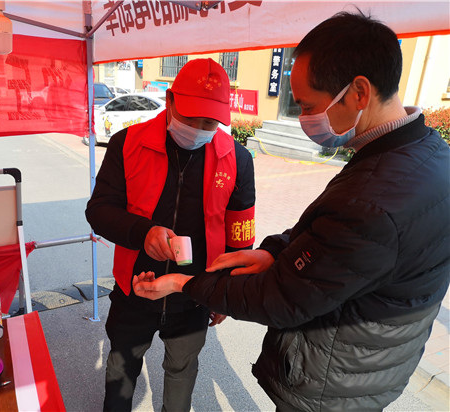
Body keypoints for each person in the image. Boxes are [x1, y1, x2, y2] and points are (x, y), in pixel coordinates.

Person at [133, 11, 450, 412]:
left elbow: (281, 296)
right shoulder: (427, 153)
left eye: (308, 105)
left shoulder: (374, 198)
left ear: (358, 93)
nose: (303, 119)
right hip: (374, 363)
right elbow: (329, 240)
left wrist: (185, 284)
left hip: (333, 377)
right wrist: (276, 251)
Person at [85, 58, 256, 412]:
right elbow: (99, 210)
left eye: (208, 122)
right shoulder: (126, 144)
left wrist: (225, 290)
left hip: (194, 294)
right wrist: (142, 232)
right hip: (135, 288)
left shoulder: (237, 159)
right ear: (170, 100)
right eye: (190, 117)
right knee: (121, 372)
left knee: (182, 373)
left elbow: (240, 236)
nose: (197, 129)